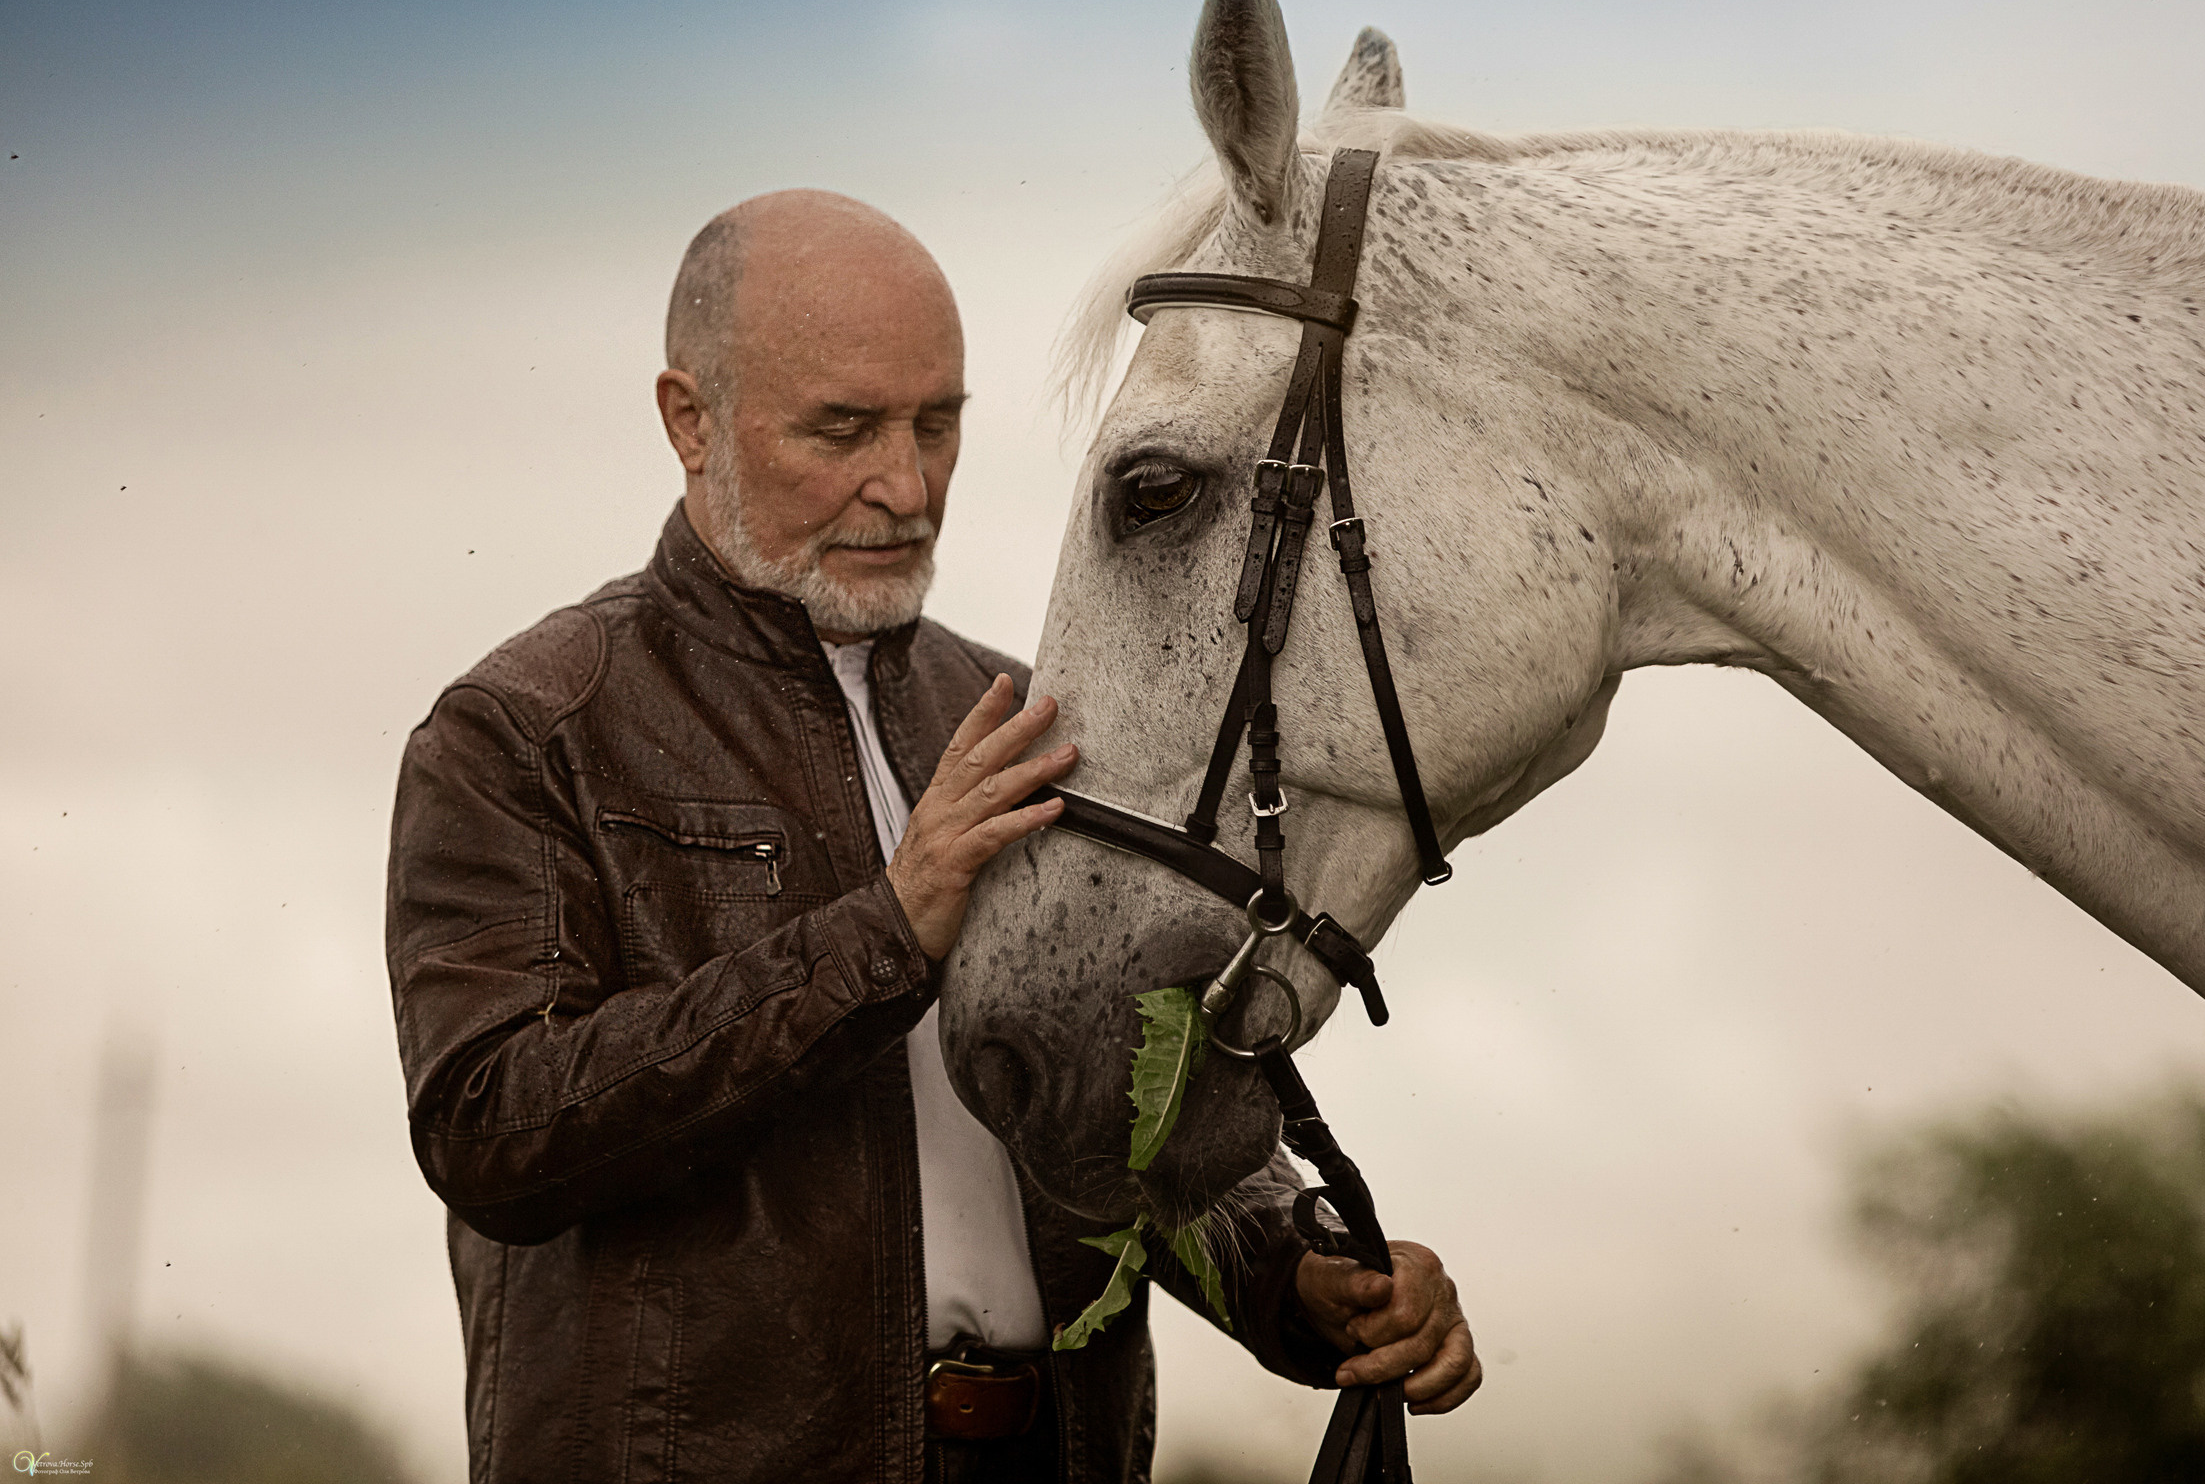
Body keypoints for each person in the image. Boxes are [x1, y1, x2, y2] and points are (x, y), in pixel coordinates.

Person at [384, 189, 1480, 1483]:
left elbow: (1115, 1120)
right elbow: (490, 1134)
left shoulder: (1028, 717)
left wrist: (1300, 1275)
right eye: (842, 429)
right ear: (690, 420)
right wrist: (884, 935)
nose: (905, 487)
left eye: (938, 424)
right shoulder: (524, 733)